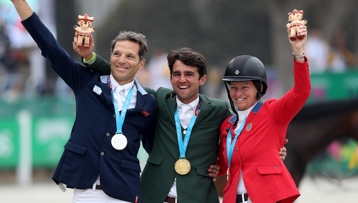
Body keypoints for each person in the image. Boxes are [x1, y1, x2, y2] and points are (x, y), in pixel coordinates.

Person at [75, 47, 288, 202]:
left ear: (202, 80)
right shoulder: (159, 99)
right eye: (176, 74)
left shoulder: (220, 109)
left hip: (197, 196)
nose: (182, 79)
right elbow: (126, 79)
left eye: (189, 74)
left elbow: (242, 132)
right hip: (155, 194)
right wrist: (90, 58)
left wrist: (270, 150)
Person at [10, 1, 158, 203]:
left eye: (130, 56)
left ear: (141, 64)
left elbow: (157, 149)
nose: (122, 60)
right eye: (117, 54)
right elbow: (50, 47)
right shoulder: (87, 82)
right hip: (85, 191)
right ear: (110, 56)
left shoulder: (149, 102)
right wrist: (18, 2)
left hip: (125, 192)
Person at [217, 25, 310, 203]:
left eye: (245, 87)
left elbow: (301, 92)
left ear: (258, 88)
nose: (238, 93)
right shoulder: (227, 125)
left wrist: (298, 52)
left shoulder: (272, 112)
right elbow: (221, 164)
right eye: (233, 88)